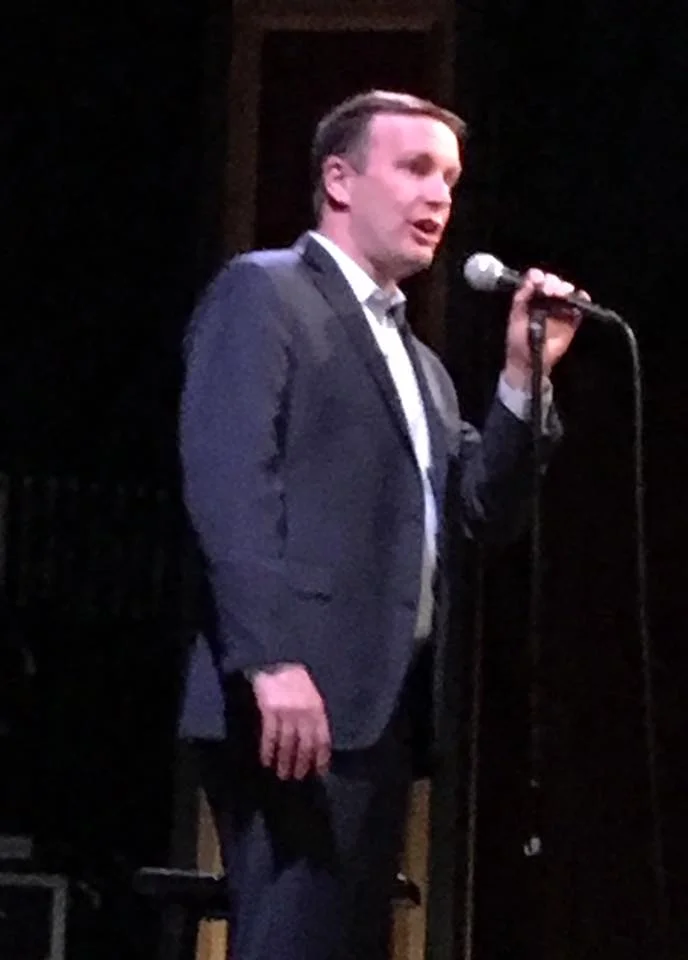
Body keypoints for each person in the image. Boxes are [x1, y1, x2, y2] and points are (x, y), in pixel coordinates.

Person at [178, 89, 581, 960]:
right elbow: (228, 483)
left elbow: (483, 509)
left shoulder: (419, 362)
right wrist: (272, 658)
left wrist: (525, 378)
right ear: (339, 179)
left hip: (377, 708)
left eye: (451, 180)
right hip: (292, 697)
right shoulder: (265, 292)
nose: (439, 196)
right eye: (415, 169)